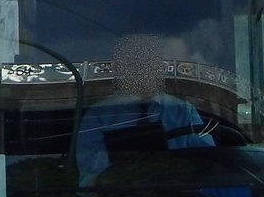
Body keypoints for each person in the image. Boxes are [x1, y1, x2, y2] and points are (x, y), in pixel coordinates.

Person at [76, 33, 214, 185]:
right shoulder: (98, 115)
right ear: (119, 68)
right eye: (135, 62)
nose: (144, 69)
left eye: (150, 61)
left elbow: (208, 162)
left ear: (160, 66)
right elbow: (91, 174)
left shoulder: (183, 110)